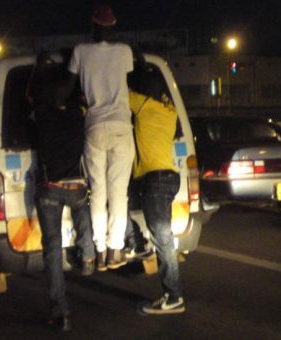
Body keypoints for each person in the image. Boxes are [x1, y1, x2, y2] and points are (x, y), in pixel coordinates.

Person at [29, 52, 95, 332]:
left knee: (52, 249)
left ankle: (61, 312)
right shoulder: (78, 117)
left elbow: (30, 97)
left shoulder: (41, 115)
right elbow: (80, 97)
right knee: (83, 207)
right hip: (76, 187)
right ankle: (88, 253)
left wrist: (38, 70)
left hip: (50, 189)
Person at [66, 5, 135, 271]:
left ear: (93, 27)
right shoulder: (124, 51)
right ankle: (115, 251)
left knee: (98, 192)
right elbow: (131, 75)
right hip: (121, 126)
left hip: (93, 126)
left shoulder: (80, 52)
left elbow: (70, 87)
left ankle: (99, 249)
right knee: (119, 193)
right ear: (113, 27)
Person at [129, 67, 185, 314]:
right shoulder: (169, 110)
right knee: (165, 239)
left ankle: (173, 297)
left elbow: (118, 93)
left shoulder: (143, 105)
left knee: (163, 241)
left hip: (156, 180)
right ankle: (137, 244)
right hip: (169, 178)